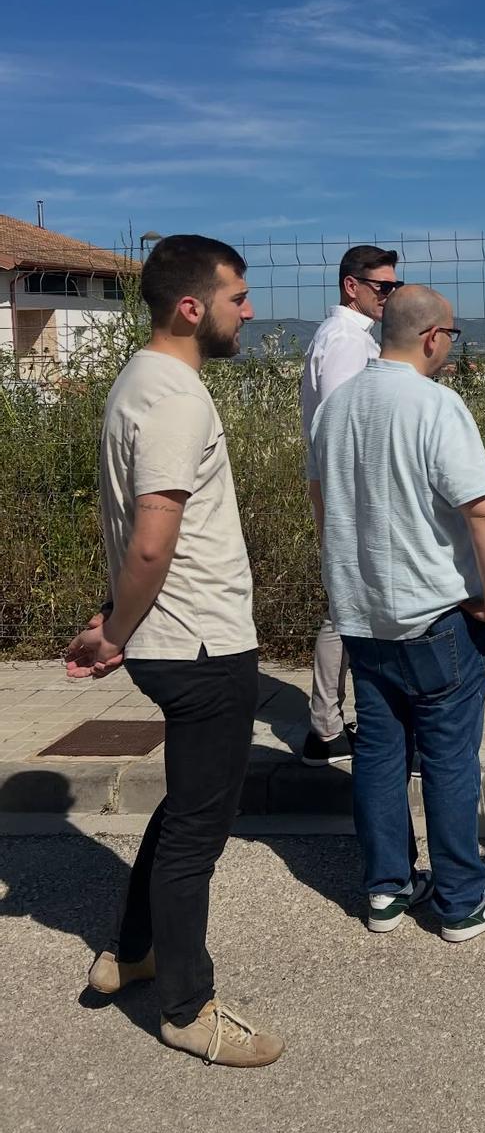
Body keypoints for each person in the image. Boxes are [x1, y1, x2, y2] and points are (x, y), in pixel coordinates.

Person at [65, 234, 284, 1067]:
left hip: (176, 632)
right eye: (238, 296)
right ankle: (189, 1010)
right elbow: (152, 536)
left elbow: (133, 528)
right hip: (197, 640)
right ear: (191, 307)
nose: (250, 311)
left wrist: (114, 616)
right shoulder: (175, 395)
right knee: (202, 823)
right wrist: (116, 630)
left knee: (190, 802)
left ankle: (131, 950)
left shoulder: (141, 380)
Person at [307, 284, 485, 942]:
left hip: (362, 612)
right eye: (452, 336)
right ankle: (461, 898)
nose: (451, 348)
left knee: (379, 752)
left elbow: (323, 504)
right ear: (432, 337)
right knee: (450, 756)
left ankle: (387, 887)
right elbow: (483, 508)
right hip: (438, 615)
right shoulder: (436, 406)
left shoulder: (336, 408)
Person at [299, 244, 402, 765]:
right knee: (348, 605)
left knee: (349, 603)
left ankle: (329, 724)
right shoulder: (344, 341)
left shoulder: (350, 337)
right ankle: (324, 728)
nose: (390, 295)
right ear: (351, 286)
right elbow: (344, 426)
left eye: (394, 287)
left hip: (345, 488)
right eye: (383, 287)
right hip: (349, 490)